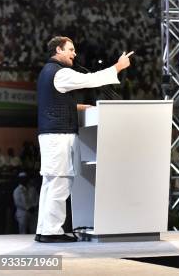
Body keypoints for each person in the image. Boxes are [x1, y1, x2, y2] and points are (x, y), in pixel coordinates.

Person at [35, 36, 133, 243]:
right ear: (59, 50)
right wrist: (118, 66)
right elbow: (90, 81)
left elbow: (53, 101)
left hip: (52, 135)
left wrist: (76, 107)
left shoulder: (47, 72)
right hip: (58, 136)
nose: (74, 54)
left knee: (51, 183)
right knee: (60, 182)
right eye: (70, 49)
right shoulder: (60, 73)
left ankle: (44, 230)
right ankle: (52, 232)